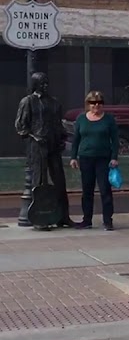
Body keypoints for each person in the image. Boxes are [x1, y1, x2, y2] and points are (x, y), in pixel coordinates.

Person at [14, 72, 73, 230]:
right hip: (37, 147)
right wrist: (34, 137)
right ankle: (40, 218)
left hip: (53, 146)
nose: (45, 86)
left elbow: (59, 125)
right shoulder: (28, 102)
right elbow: (21, 126)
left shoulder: (55, 103)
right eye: (42, 83)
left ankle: (63, 216)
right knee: (39, 182)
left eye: (47, 83)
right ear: (35, 84)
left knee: (60, 181)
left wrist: (62, 139)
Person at [68, 90, 119, 231]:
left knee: (105, 190)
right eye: (92, 103)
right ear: (87, 104)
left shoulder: (109, 119)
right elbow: (76, 139)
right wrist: (73, 157)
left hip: (103, 159)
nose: (96, 105)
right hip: (86, 158)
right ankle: (87, 220)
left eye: (99, 103)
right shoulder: (81, 119)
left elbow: (115, 140)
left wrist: (114, 157)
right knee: (87, 190)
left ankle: (108, 220)